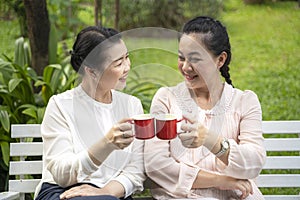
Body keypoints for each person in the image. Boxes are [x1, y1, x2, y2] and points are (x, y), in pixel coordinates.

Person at [144, 16, 266, 199]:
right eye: (181, 57)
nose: (185, 67)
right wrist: (221, 181)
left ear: (220, 60)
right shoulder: (166, 99)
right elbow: (156, 165)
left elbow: (254, 162)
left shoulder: (244, 101)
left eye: (195, 59)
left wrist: (212, 141)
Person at [35, 26, 145, 200]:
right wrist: (106, 144)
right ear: (91, 71)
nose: (127, 67)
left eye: (127, 57)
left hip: (112, 194)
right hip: (63, 191)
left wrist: (105, 192)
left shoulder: (132, 106)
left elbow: (136, 170)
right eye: (118, 63)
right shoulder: (61, 105)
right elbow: (61, 175)